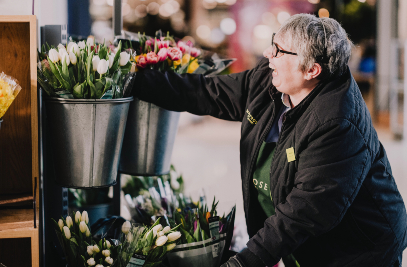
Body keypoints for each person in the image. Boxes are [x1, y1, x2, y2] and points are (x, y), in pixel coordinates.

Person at [127, 14, 407, 266]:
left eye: (279, 50)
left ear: (312, 70)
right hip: (307, 245)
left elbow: (302, 214)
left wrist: (245, 262)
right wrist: (131, 81)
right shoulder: (271, 79)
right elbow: (206, 92)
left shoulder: (337, 124)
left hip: (359, 251)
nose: (267, 54)